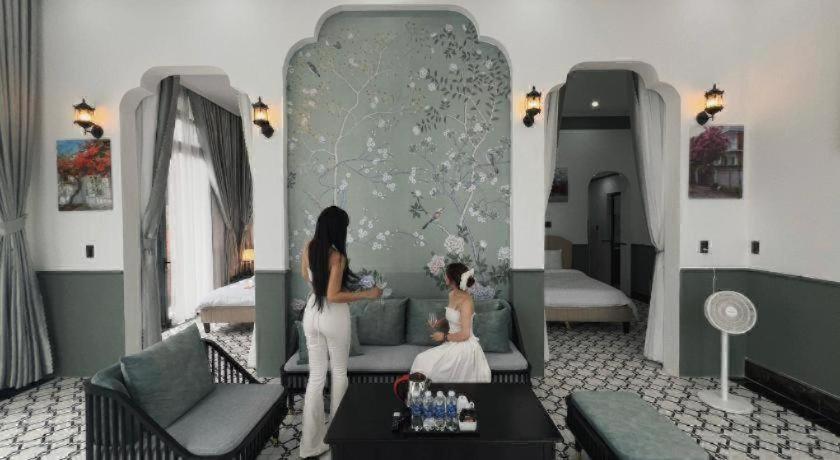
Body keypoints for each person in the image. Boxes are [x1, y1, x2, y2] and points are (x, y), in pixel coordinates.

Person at [299, 206, 382, 458]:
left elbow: (306, 276)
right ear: (337, 229)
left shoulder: (309, 247)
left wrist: (323, 286)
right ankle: (339, 439)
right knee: (338, 373)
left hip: (311, 312)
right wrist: (367, 294)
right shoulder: (337, 257)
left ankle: (310, 445)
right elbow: (334, 296)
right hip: (333, 316)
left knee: (315, 378)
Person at [410, 263, 491, 383]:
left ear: (452, 279)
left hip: (464, 346)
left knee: (426, 363)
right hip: (452, 342)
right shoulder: (452, 294)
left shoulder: (466, 301)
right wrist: (439, 322)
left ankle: (433, 391)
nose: (444, 277)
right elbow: (454, 315)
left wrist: (443, 336)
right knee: (420, 359)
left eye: (446, 275)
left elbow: (465, 334)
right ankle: (421, 391)